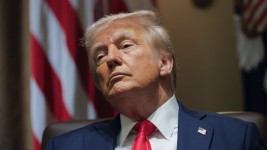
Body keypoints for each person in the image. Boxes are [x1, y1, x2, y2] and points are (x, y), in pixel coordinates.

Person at [45, 10, 266, 150]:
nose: (111, 58)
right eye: (100, 56)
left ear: (165, 63)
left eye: (125, 46)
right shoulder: (65, 146)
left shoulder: (235, 138)